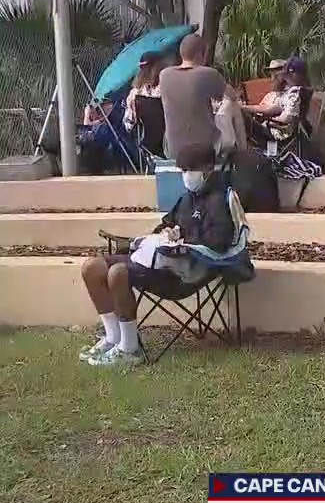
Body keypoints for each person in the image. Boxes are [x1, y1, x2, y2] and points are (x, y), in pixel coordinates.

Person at [77, 141, 236, 367]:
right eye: (182, 170)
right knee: (92, 268)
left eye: (189, 170)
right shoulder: (187, 198)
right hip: (162, 260)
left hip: (186, 271)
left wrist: (183, 240)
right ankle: (113, 338)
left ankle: (130, 349)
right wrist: (167, 232)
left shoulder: (220, 200)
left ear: (208, 169)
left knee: (118, 273)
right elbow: (165, 225)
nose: (186, 175)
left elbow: (219, 242)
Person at [159, 33, 238, 159]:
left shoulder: (164, 75)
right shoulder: (208, 73)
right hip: (206, 148)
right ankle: (244, 152)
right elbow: (232, 95)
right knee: (232, 105)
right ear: (200, 54)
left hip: (173, 151)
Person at [123, 51, 165, 133]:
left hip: (148, 140)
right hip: (169, 135)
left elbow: (129, 126)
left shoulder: (134, 94)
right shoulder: (165, 88)